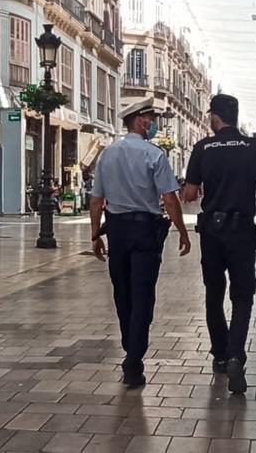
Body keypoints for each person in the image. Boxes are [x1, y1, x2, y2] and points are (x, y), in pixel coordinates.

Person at [90, 97, 190, 387]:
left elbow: (97, 200)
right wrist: (182, 231)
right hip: (145, 232)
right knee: (143, 294)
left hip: (118, 232)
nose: (153, 123)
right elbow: (170, 199)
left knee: (122, 292)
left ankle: (129, 345)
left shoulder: (106, 155)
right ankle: (134, 357)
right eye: (150, 118)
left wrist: (96, 235)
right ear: (139, 121)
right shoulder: (154, 155)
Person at [183, 94, 256, 394]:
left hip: (212, 231)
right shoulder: (253, 147)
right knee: (243, 294)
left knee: (214, 292)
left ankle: (220, 354)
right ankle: (236, 354)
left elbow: (191, 195)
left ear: (214, 117)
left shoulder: (202, 147)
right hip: (242, 232)